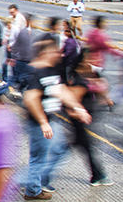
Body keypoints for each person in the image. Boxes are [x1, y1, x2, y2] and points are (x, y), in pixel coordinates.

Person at [22, 41, 91, 200]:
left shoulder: (52, 71)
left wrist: (79, 109)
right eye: (55, 52)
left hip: (50, 120)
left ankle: (35, 183)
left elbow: (61, 91)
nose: (59, 55)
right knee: (39, 158)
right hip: (41, 122)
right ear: (45, 53)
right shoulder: (38, 72)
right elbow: (31, 98)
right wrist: (43, 122)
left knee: (59, 150)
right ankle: (28, 187)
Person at [42, 49, 113, 189]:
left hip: (83, 120)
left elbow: (100, 89)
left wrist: (104, 96)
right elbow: (71, 103)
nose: (94, 60)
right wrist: (80, 114)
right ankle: (42, 177)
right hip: (79, 121)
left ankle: (97, 175)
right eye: (91, 57)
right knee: (73, 148)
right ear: (83, 60)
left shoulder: (89, 74)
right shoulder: (77, 78)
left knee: (79, 147)